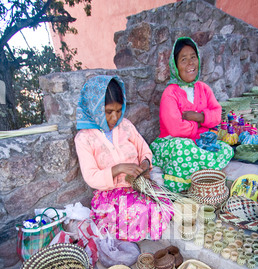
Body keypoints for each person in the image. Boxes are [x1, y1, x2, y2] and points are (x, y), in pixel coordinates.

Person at [75, 75, 173, 242]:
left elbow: (144, 150)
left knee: (164, 203)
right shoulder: (84, 138)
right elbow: (91, 177)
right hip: (111, 195)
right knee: (136, 211)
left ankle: (141, 229)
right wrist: (118, 169)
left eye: (119, 111)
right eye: (108, 112)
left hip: (138, 186)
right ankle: (135, 231)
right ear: (94, 108)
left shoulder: (125, 125)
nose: (115, 118)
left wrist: (144, 164)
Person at [150, 37, 234, 192]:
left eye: (193, 57)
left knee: (226, 149)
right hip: (173, 145)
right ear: (175, 66)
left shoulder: (204, 88)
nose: (190, 63)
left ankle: (199, 175)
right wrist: (203, 124)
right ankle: (181, 188)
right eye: (183, 59)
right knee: (183, 148)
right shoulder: (170, 93)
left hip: (200, 143)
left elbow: (217, 114)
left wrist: (198, 117)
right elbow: (176, 130)